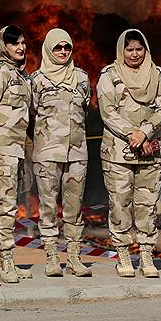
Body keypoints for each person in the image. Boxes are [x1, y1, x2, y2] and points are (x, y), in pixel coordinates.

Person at [97, 29, 161, 278]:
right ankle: (124, 255)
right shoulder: (109, 75)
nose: (135, 54)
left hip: (149, 151)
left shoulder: (157, 74)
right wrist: (132, 134)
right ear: (122, 51)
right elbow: (107, 112)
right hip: (119, 153)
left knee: (148, 205)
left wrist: (146, 132)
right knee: (120, 204)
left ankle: (147, 255)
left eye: (139, 49)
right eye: (129, 49)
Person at [30, 28, 92, 277]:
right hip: (47, 154)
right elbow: (31, 114)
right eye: (58, 47)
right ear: (48, 49)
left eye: (67, 47)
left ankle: (74, 257)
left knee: (74, 208)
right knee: (47, 206)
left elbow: (86, 107)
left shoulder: (82, 78)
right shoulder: (36, 80)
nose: (63, 52)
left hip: (77, 153)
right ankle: (52, 256)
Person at [0, 25, 34, 283]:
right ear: (1, 46)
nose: (21, 47)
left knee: (8, 207)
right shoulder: (0, 73)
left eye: (23, 42)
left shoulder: (21, 75)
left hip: (16, 151)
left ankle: (1, 262)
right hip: (3, 151)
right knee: (5, 207)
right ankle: (4, 261)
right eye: (14, 43)